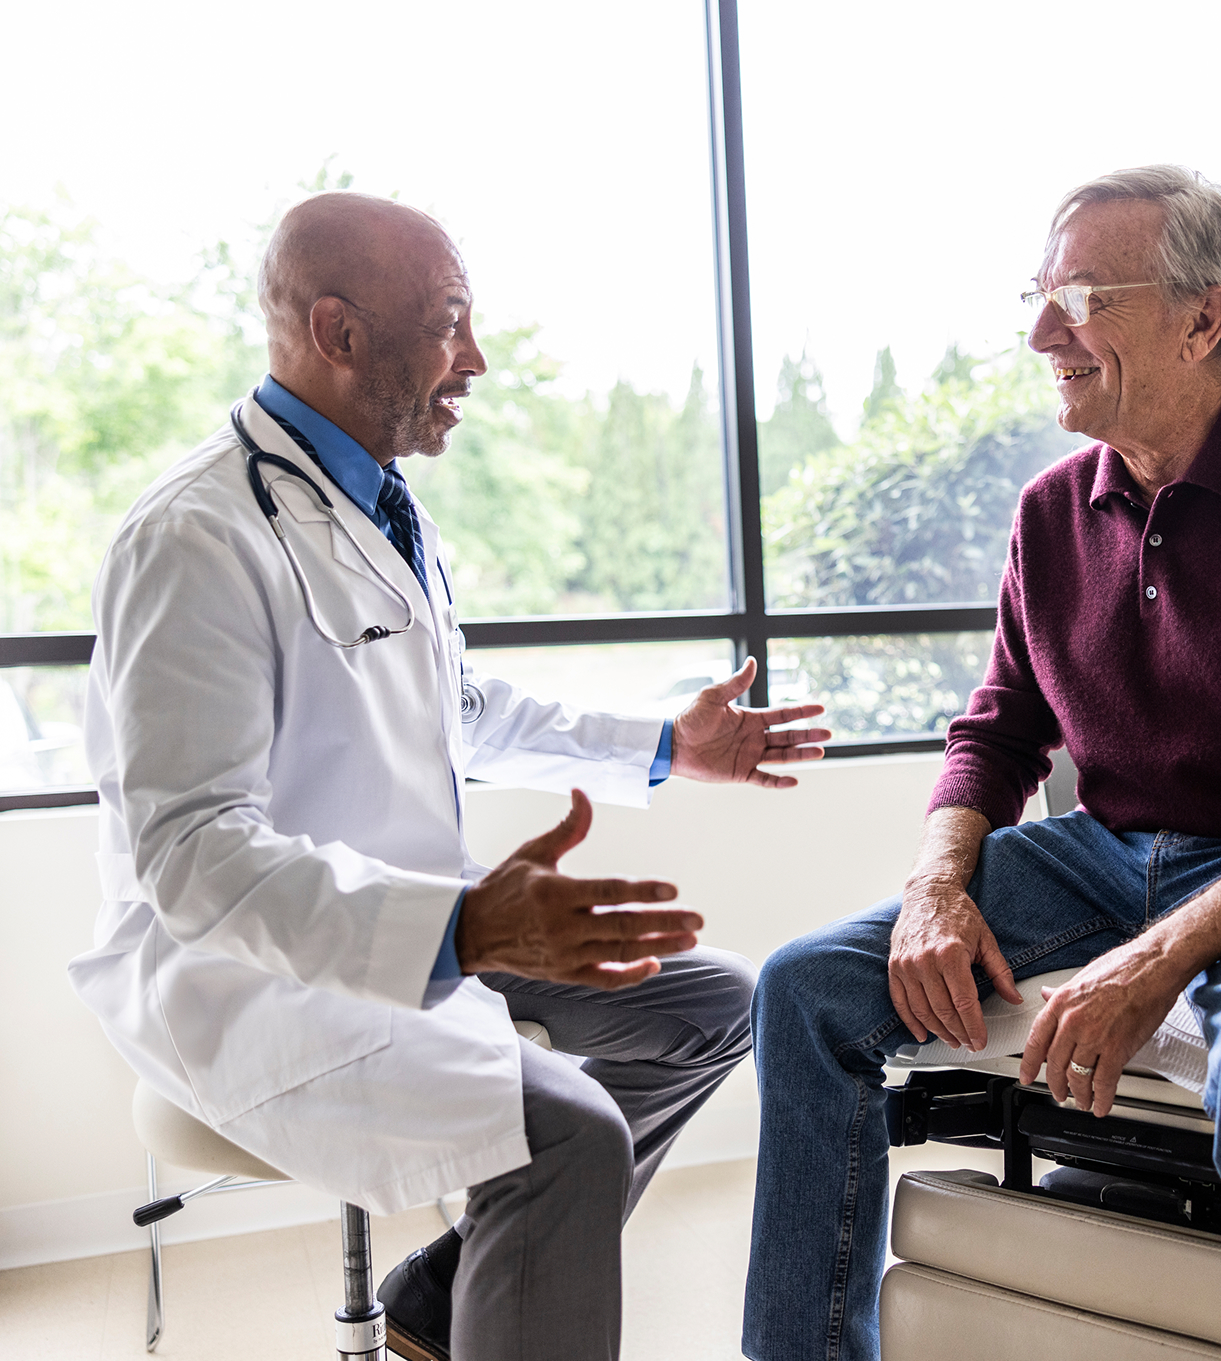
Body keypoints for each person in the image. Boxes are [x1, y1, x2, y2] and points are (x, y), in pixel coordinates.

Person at [67, 191, 829, 1361]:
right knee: (567, 1134)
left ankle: (449, 1287)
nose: (473, 359)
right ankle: (501, 1264)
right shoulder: (197, 535)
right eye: (450, 324)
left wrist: (673, 745)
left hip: (410, 911)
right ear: (339, 334)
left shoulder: (376, 500)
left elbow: (453, 711)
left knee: (715, 1004)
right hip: (243, 974)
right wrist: (461, 928)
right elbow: (193, 854)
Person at [743, 165, 1221, 1361]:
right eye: (1038, 296)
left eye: (1080, 297)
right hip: (1101, 859)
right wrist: (937, 887)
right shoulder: (1051, 511)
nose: (1042, 333)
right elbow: (1000, 727)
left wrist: (1159, 956)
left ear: (1204, 318)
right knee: (806, 986)